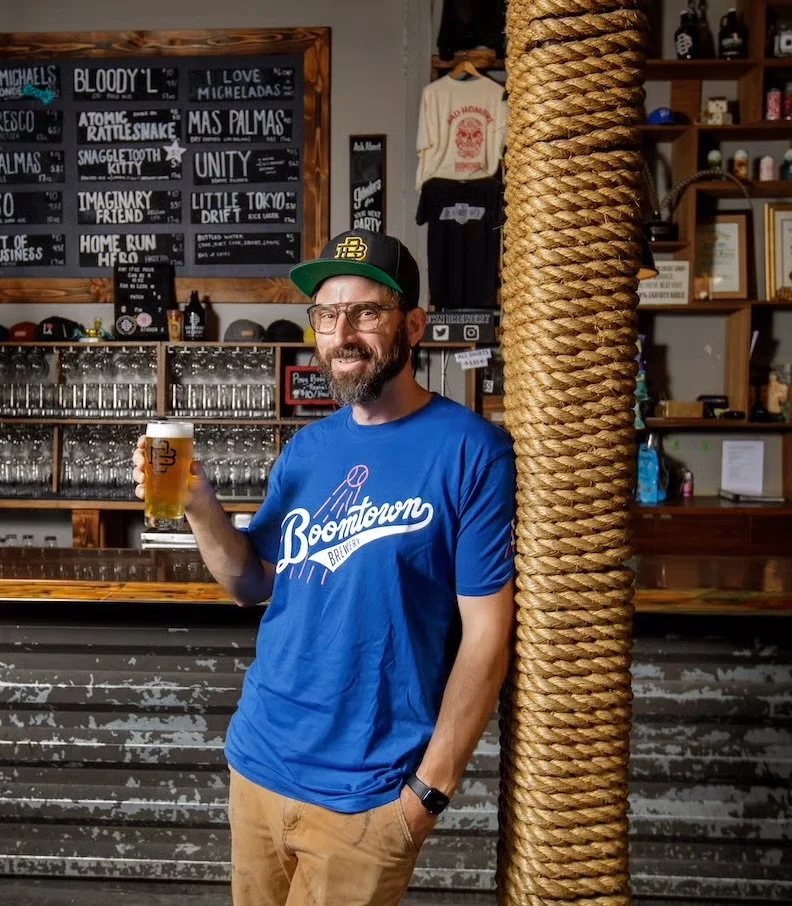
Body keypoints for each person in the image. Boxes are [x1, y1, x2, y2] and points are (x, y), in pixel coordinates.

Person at [132, 228, 515, 906]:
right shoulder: (306, 451)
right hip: (260, 763)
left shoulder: (472, 452)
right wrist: (196, 505)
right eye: (327, 314)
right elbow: (251, 583)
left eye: (367, 312)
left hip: (366, 792)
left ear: (414, 325)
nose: (343, 334)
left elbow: (486, 637)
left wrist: (428, 792)